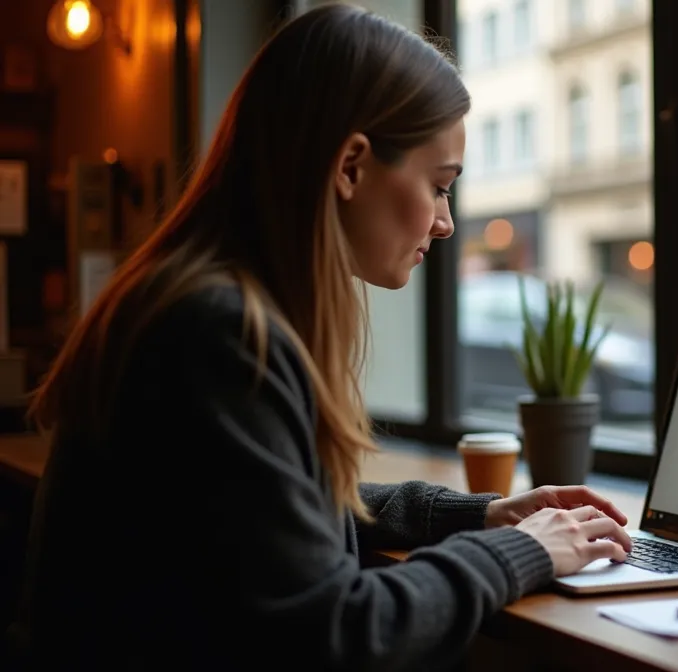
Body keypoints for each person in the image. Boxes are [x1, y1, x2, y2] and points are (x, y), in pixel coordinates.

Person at [7, 6, 631, 669]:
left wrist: (473, 515)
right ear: (352, 166)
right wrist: (523, 552)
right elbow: (332, 633)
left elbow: (275, 525)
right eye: (439, 186)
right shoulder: (218, 336)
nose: (446, 222)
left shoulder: (204, 304)